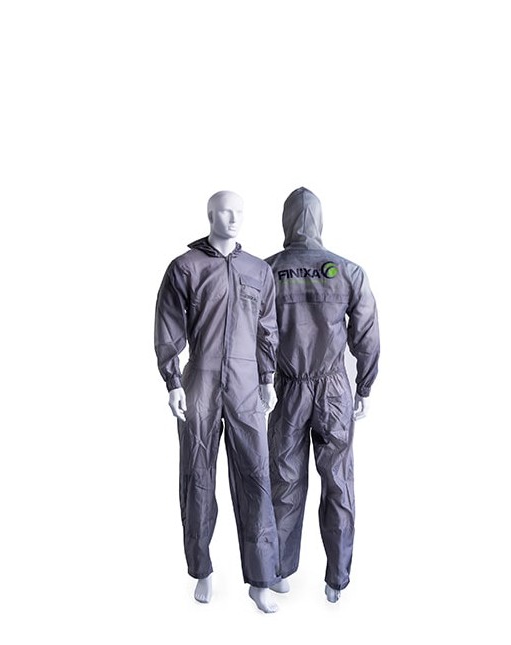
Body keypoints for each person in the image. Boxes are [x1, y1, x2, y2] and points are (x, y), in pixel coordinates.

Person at [154, 191, 282, 613]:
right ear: (210, 215)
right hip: (201, 378)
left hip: (246, 383)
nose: (234, 217)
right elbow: (169, 326)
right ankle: (202, 569)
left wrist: (267, 378)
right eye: (226, 210)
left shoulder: (259, 270)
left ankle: (261, 579)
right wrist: (173, 382)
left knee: (257, 476)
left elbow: (267, 327)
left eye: (240, 211)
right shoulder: (186, 267)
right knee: (197, 475)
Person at [265, 187, 380, 602]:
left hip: (287, 390)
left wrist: (258, 380)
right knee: (338, 484)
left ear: (285, 220)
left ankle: (278, 572)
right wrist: (364, 385)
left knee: (284, 481)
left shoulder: (266, 271)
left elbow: (251, 333)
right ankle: (337, 580)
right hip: (334, 392)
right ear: (319, 220)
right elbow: (366, 334)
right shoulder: (347, 271)